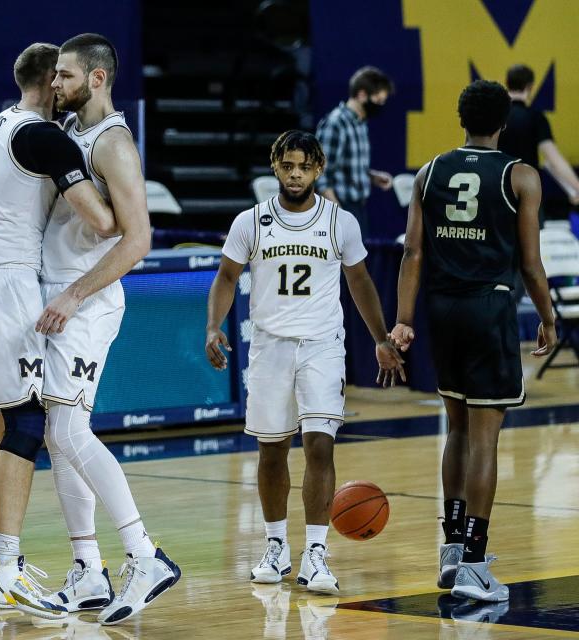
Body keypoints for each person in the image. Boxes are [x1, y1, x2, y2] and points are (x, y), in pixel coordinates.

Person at [0, 41, 118, 620]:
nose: (65, 86)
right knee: (26, 422)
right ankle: (6, 569)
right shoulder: (44, 134)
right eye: (60, 77)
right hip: (8, 285)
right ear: (48, 82)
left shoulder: (2, 122)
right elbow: (104, 220)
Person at [205, 130, 404, 595]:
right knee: (271, 450)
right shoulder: (250, 222)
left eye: (304, 167)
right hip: (269, 347)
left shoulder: (340, 222)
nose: (295, 174)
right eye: (287, 165)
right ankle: (275, 546)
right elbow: (226, 277)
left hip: (321, 346)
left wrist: (380, 338)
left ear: (318, 170)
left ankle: (316, 554)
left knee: (319, 446)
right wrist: (214, 326)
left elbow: (360, 283)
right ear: (275, 166)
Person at [392, 80, 557, 602]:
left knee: (457, 432)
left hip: (442, 310)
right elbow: (530, 264)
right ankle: (474, 562)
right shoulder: (521, 175)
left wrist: (403, 319)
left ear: (460, 117)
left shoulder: (430, 171)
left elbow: (412, 254)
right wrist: (550, 319)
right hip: (489, 309)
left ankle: (450, 550)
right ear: (505, 121)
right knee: (485, 439)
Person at [35, 33, 179, 625]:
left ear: (97, 78)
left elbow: (138, 239)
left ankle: (145, 555)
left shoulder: (114, 143)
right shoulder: (72, 131)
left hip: (85, 306)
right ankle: (89, 571)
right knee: (59, 434)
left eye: (65, 76)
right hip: (60, 299)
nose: (55, 84)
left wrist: (74, 293)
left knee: (68, 431)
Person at [315, 66, 395, 239]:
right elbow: (320, 174)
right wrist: (338, 214)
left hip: (358, 208)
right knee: (342, 265)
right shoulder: (336, 123)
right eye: (378, 100)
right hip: (340, 207)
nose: (381, 106)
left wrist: (372, 176)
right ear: (361, 95)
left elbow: (345, 165)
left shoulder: (360, 123)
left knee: (358, 263)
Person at [499, 64, 579, 212]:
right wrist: (576, 187)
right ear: (530, 87)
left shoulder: (496, 116)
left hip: (497, 191)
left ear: (506, 82)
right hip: (527, 193)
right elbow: (553, 159)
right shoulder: (535, 117)